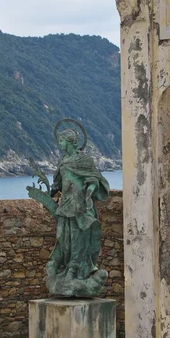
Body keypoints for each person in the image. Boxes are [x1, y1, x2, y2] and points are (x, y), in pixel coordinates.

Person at [28, 122, 110, 297]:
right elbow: (57, 185)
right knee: (64, 240)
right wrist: (45, 192)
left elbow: (94, 180)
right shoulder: (63, 161)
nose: (60, 145)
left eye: (62, 141)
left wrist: (89, 193)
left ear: (71, 142)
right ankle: (66, 268)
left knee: (79, 239)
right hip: (65, 206)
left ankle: (75, 269)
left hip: (81, 207)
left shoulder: (84, 161)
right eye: (59, 141)